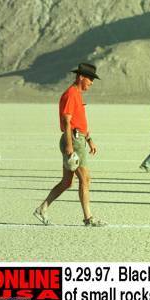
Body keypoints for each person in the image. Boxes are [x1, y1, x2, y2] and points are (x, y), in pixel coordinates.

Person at [33, 63, 106, 227]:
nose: (92, 83)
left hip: (78, 139)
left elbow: (79, 121)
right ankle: (89, 218)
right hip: (73, 140)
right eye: (90, 79)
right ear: (81, 77)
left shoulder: (78, 95)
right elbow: (67, 121)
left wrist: (89, 139)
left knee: (67, 182)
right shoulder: (70, 94)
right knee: (85, 179)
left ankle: (42, 209)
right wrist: (69, 146)